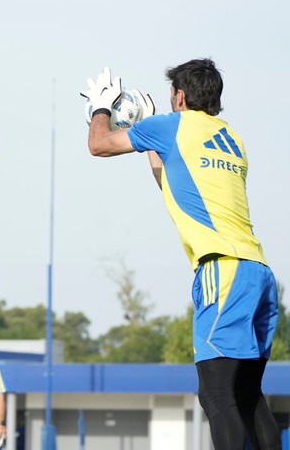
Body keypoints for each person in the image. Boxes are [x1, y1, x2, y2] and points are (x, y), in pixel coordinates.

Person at [83, 59, 280, 449]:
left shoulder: (172, 126)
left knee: (215, 394)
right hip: (258, 273)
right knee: (247, 395)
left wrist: (100, 108)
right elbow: (170, 182)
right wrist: (151, 139)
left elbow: (98, 144)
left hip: (221, 271)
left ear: (180, 95)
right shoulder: (231, 138)